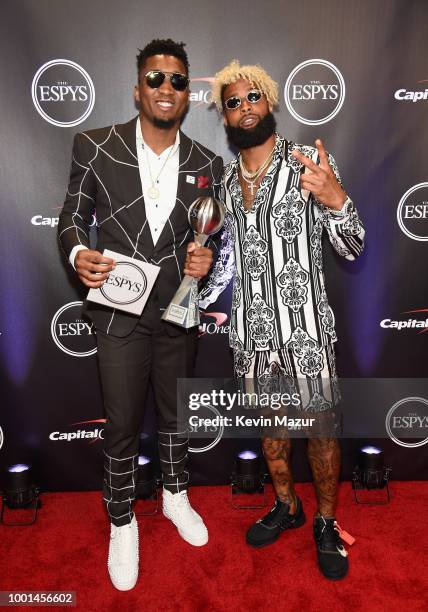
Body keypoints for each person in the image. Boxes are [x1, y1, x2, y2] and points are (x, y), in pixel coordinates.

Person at [58, 39, 223, 591]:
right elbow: (71, 219)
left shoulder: (208, 162)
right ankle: (122, 520)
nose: (166, 89)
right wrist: (80, 253)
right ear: (138, 88)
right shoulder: (95, 146)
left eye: (177, 80)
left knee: (176, 413)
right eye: (156, 79)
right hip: (119, 310)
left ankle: (176, 497)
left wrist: (207, 256)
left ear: (187, 92)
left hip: (179, 308)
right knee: (123, 421)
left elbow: (207, 237)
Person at [199, 60, 365, 580]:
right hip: (251, 335)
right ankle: (288, 505)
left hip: (307, 333)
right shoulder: (226, 181)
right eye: (233, 102)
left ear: (270, 102)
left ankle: (325, 521)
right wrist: (202, 271)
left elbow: (353, 247)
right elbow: (227, 261)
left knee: (319, 430)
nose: (244, 108)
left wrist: (336, 199)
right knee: (272, 430)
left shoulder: (304, 164)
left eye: (253, 98)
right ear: (224, 117)